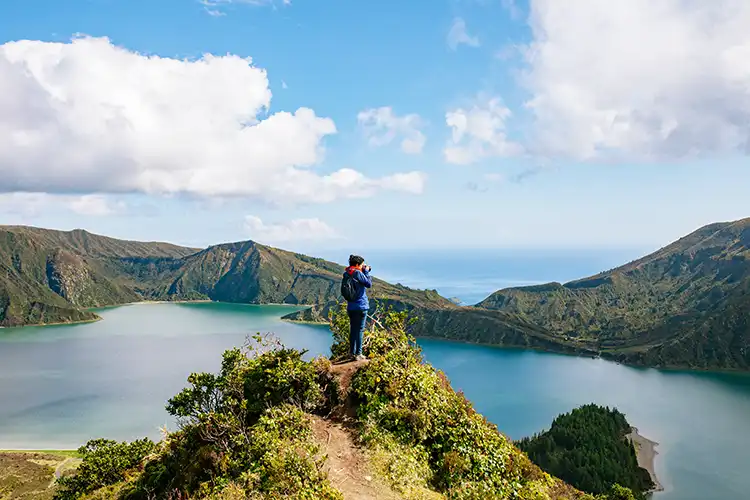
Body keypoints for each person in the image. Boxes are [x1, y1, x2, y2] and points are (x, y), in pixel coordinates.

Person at [343, 254, 372, 361]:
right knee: (360, 330)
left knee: (353, 330)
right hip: (361, 306)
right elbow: (368, 284)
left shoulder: (346, 273)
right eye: (362, 264)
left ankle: (351, 353)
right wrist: (367, 272)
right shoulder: (358, 273)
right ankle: (358, 354)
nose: (363, 266)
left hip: (351, 307)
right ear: (357, 264)